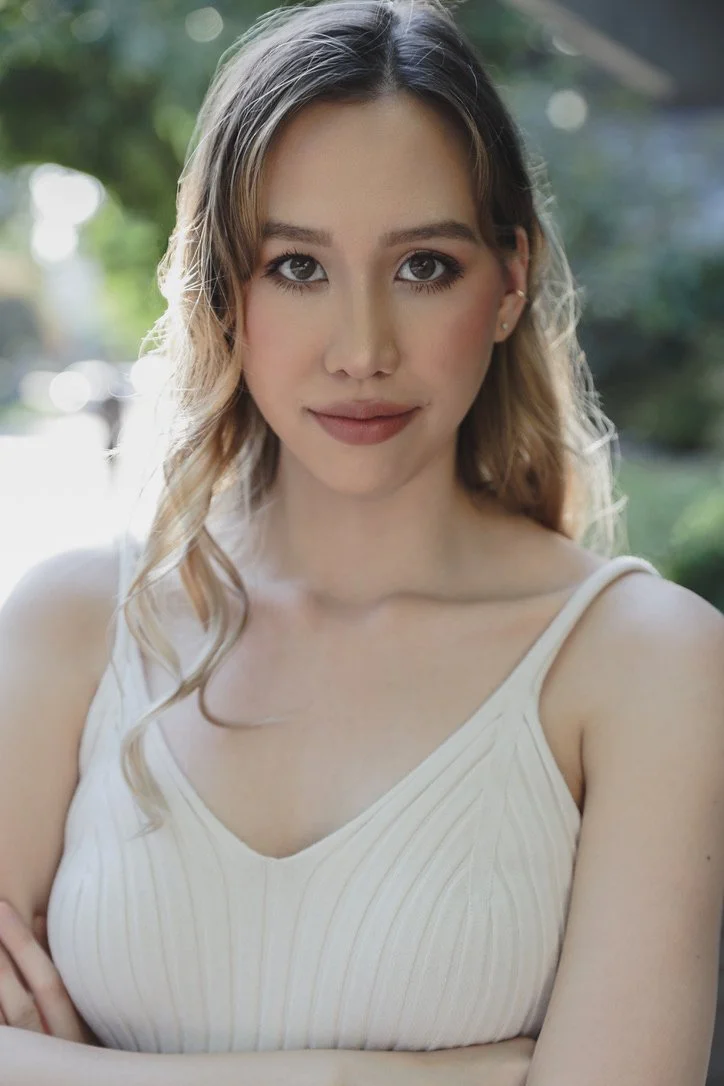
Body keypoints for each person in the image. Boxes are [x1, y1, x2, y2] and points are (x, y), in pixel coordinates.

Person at [0, 0, 722, 1083]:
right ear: (223, 291)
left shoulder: (648, 664)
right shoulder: (71, 629)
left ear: (508, 280)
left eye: (423, 265)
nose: (361, 349)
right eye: (297, 266)